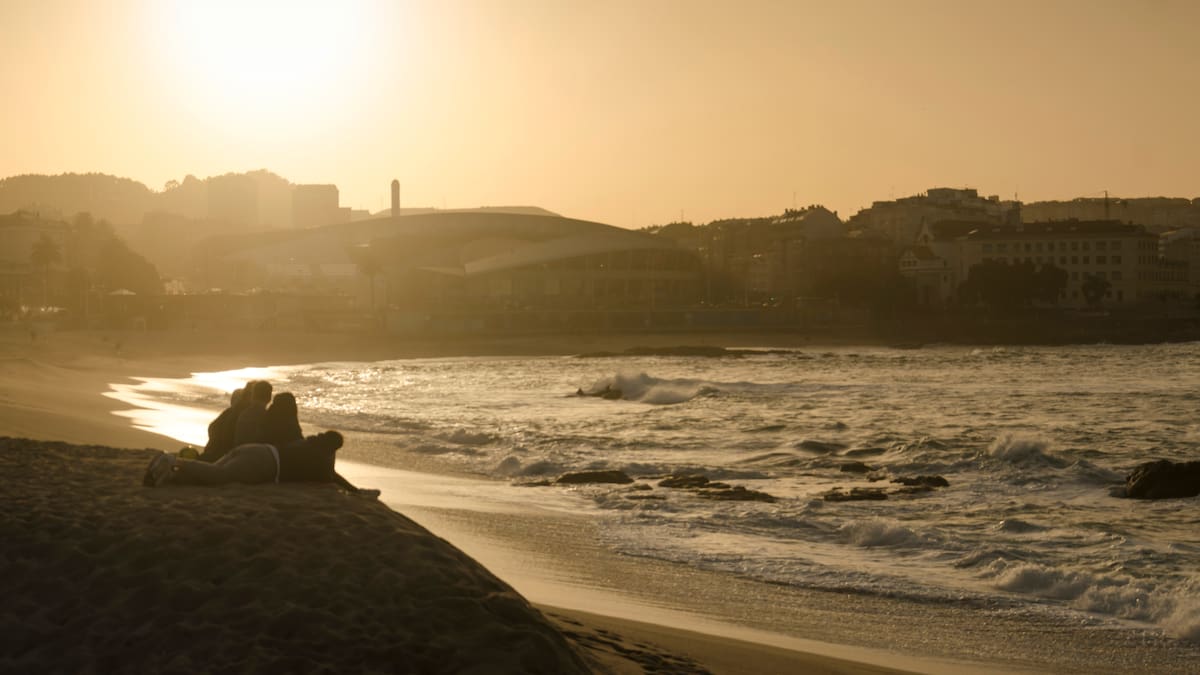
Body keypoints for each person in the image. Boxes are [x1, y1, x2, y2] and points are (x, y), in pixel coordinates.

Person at [144, 431, 346, 488]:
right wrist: (355, 491)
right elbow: (330, 476)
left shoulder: (305, 442)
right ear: (331, 449)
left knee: (210, 474)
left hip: (256, 450)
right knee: (219, 476)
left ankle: (171, 476)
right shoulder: (318, 459)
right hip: (264, 464)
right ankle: (174, 461)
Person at [198, 386, 248, 463]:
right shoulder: (234, 414)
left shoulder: (230, 413)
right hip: (222, 455)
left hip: (215, 452)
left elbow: (212, 427)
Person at [232, 380, 273, 447]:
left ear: (253, 396)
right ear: (269, 398)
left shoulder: (242, 414)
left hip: (242, 453)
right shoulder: (268, 417)